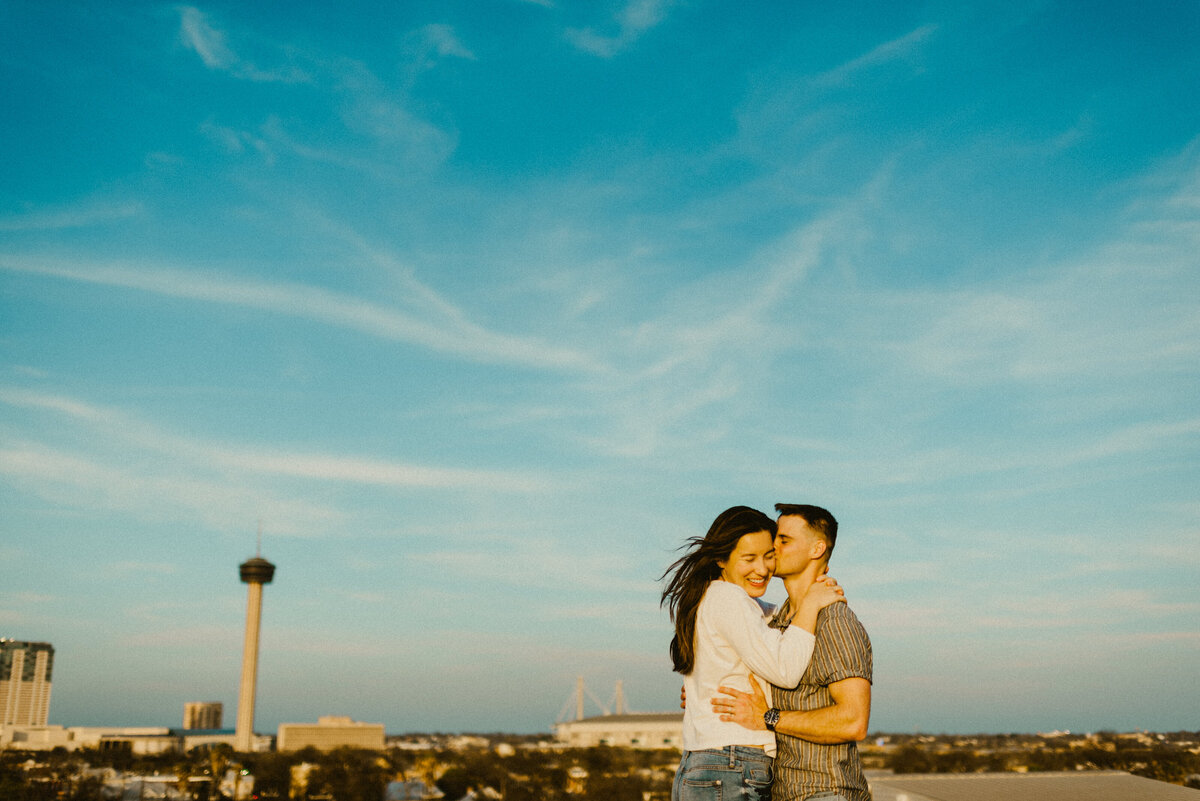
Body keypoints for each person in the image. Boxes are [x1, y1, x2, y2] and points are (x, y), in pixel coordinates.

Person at [661, 505, 847, 801]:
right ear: (721, 558)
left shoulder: (717, 598)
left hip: (718, 763)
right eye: (749, 559)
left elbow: (773, 620)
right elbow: (785, 671)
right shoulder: (728, 598)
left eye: (768, 555)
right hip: (730, 763)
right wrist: (811, 604)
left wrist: (803, 601)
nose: (762, 569)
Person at [711, 504, 873, 801]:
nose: (772, 547)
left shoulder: (835, 622)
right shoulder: (778, 620)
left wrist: (769, 717)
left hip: (826, 792)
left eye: (784, 540)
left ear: (817, 549)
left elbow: (853, 720)